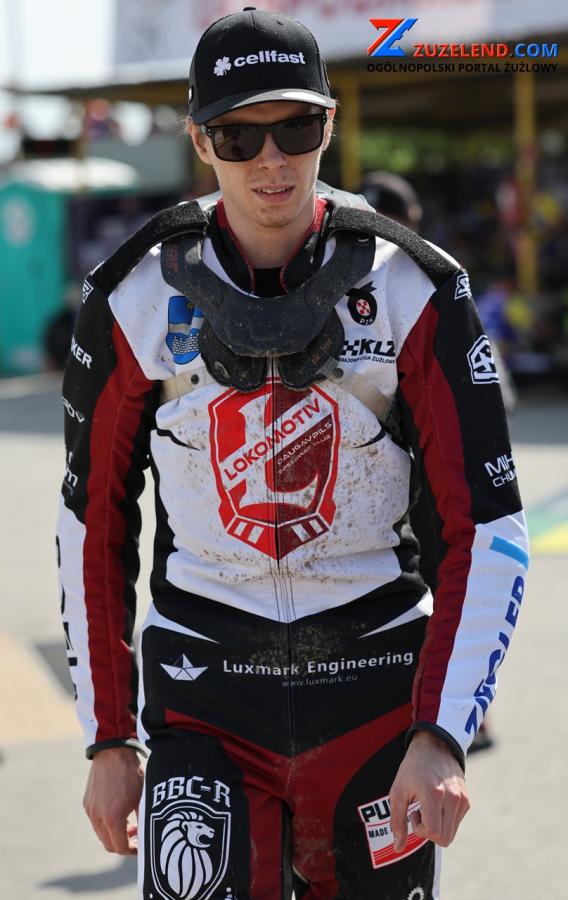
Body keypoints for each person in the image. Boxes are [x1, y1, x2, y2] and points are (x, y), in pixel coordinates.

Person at [56, 8, 529, 899]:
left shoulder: (413, 286)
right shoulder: (132, 296)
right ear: (200, 140)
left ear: (330, 126)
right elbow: (91, 524)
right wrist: (109, 737)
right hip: (205, 694)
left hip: (375, 696)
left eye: (296, 129)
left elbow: (489, 525)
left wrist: (442, 732)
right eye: (240, 135)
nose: (271, 160)